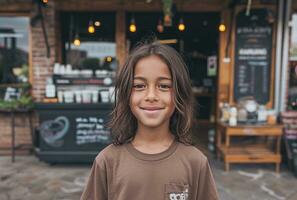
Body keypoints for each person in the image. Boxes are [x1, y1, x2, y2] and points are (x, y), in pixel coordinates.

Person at [81, 41, 219, 200]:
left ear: (180, 94)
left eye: (164, 86)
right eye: (139, 86)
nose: (151, 96)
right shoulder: (107, 161)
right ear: (126, 95)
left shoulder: (195, 162)